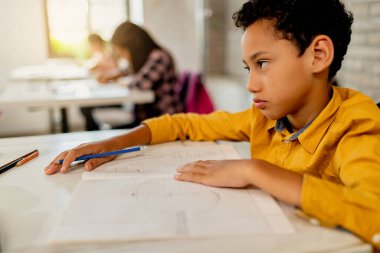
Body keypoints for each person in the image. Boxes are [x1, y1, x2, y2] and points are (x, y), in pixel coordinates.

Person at [45, 0, 380, 250]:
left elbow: (374, 215)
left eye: (262, 63)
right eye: (249, 68)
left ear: (318, 55)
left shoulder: (356, 125)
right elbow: (185, 124)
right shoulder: (265, 117)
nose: (251, 84)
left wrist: (254, 171)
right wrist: (115, 143)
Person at [81, 22, 183, 130]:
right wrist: (111, 77)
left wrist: (119, 81)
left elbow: (139, 84)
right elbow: (126, 71)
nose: (122, 55)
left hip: (163, 119)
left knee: (110, 133)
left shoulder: (159, 56)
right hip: (147, 116)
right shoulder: (145, 58)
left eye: (123, 50)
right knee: (89, 111)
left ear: (134, 46)